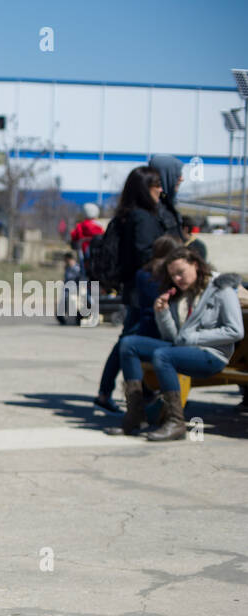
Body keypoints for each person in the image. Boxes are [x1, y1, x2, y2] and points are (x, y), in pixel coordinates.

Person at [110, 248, 244, 440]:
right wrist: (162, 313)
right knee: (128, 344)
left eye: (181, 272)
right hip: (185, 350)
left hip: (212, 355)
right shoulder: (183, 294)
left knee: (162, 356)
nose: (177, 279)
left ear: (195, 265)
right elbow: (174, 338)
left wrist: (195, 338)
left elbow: (235, 330)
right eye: (173, 275)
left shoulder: (221, 288)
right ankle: (135, 414)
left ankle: (175, 421)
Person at [93, 166, 166, 411]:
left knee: (128, 340)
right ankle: (135, 395)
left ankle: (110, 392)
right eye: (156, 185)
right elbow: (145, 253)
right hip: (142, 289)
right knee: (130, 341)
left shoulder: (130, 214)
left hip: (135, 287)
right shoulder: (142, 218)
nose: (160, 189)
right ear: (145, 188)